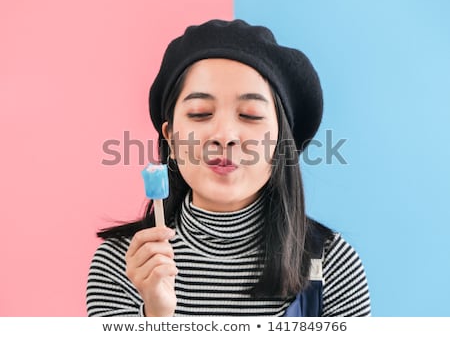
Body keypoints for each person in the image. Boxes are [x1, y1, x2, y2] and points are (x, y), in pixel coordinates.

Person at [86, 19, 371, 317]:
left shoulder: (331, 264)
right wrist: (154, 318)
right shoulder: (122, 262)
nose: (224, 136)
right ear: (170, 137)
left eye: (249, 115)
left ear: (280, 142)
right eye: (200, 113)